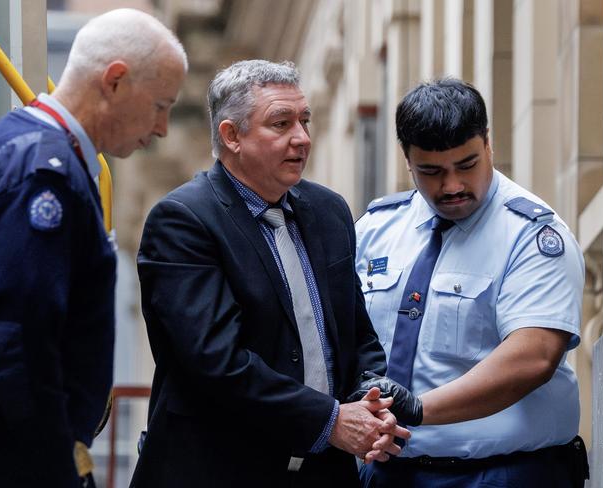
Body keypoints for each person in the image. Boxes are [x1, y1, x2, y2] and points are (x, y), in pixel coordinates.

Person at [130, 59, 410, 488]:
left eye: (305, 120)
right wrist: (332, 421)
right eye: (281, 124)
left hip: (324, 473)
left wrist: (372, 398)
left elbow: (356, 334)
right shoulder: (183, 221)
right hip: (218, 470)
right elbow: (216, 363)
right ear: (231, 136)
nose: (301, 138)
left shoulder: (329, 211)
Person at [0, 8, 187, 488]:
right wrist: (58, 468)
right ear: (116, 81)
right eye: (160, 105)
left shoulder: (27, 151)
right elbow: (16, 345)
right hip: (5, 461)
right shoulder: (45, 174)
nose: (163, 127)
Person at [355, 78, 588, 488]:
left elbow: (533, 357)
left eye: (467, 164)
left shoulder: (531, 235)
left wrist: (418, 408)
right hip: (389, 474)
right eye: (431, 171)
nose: (452, 186)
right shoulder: (375, 230)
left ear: (488, 145)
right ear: (408, 161)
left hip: (506, 473)